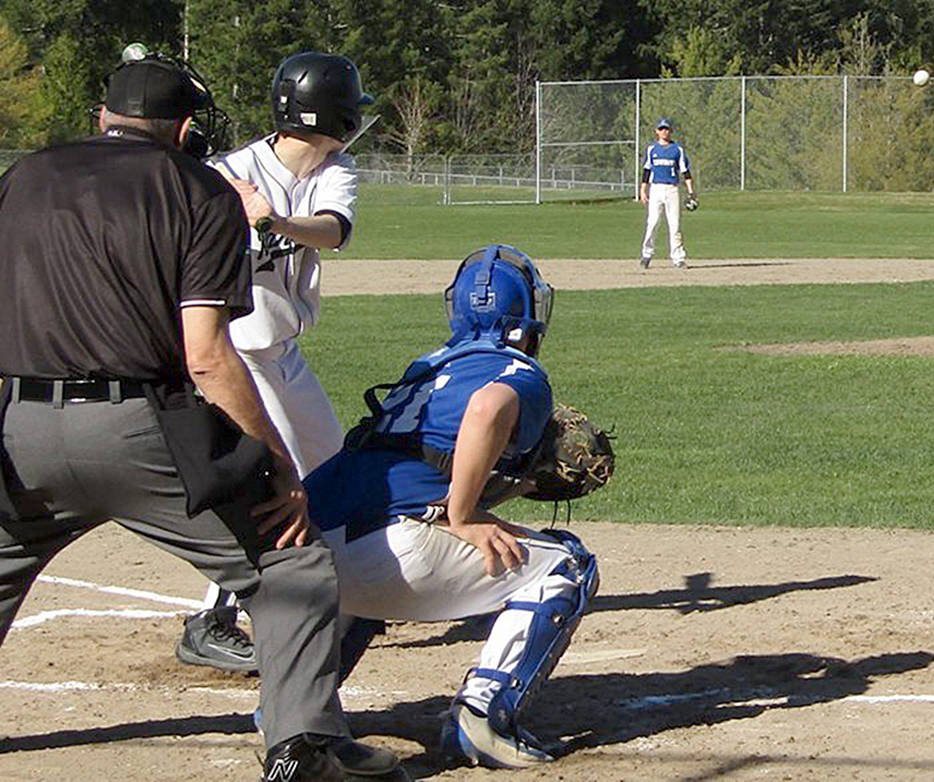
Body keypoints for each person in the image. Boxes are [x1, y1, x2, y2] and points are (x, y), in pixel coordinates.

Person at [0, 54, 405, 780]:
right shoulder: (198, 189)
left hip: (16, 427)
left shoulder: (23, 177)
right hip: (139, 429)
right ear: (185, 127)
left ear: (102, 116)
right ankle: (302, 749)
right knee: (292, 562)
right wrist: (273, 461)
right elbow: (209, 357)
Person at [303, 244, 599, 769]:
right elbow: (487, 409)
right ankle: (484, 716)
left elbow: (425, 460)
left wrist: (510, 492)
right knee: (570, 563)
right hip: (393, 552)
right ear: (530, 315)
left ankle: (300, 709)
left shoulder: (423, 369)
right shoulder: (521, 373)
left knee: (368, 568)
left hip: (314, 549)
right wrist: (463, 515)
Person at [176, 51, 372, 674]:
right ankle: (213, 616)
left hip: (281, 352)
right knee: (272, 485)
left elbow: (333, 230)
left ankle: (355, 590)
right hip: (234, 354)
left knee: (332, 467)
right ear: (330, 112)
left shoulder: (335, 169)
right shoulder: (228, 172)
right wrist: (219, 199)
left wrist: (274, 218)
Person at [639, 117, 695, 269]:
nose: (664, 131)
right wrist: (643, 190)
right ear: (656, 131)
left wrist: (691, 193)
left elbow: (686, 172)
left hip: (672, 189)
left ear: (670, 131)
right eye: (661, 129)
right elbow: (646, 170)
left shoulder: (677, 150)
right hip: (656, 188)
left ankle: (678, 258)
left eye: (667, 129)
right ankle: (646, 254)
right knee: (653, 223)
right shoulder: (652, 149)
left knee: (674, 225)